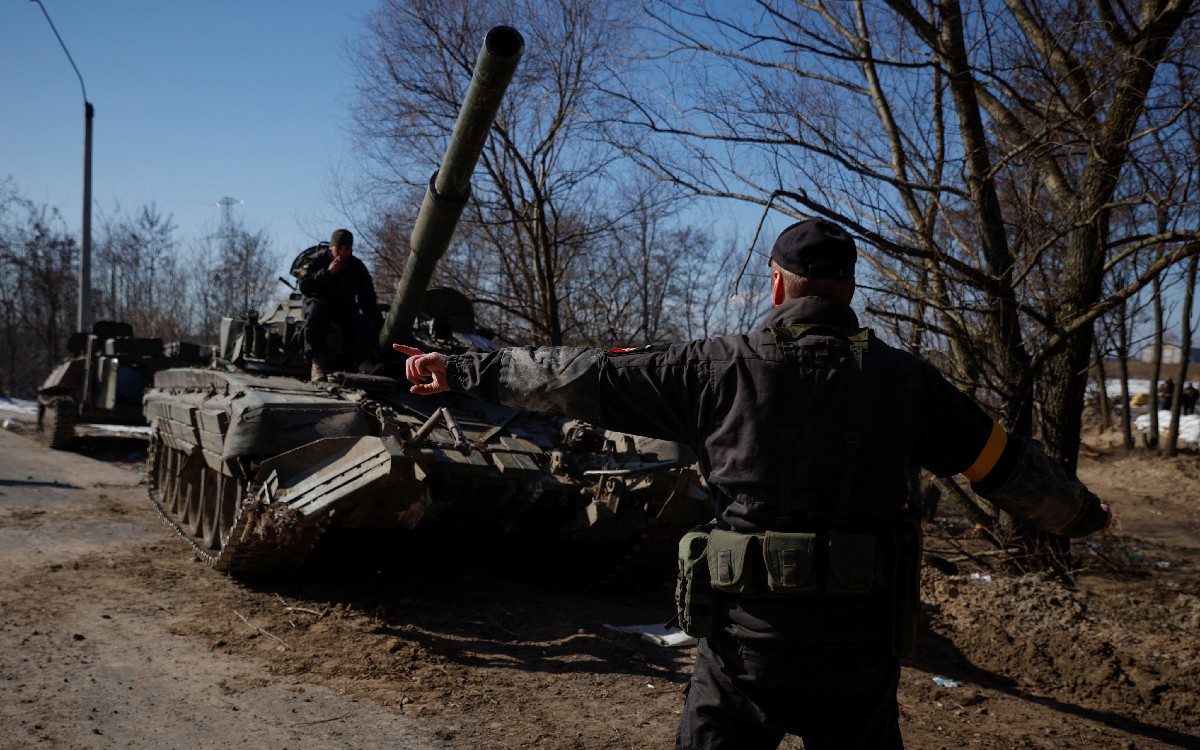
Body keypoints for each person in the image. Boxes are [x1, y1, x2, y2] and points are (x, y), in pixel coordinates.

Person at [394, 218, 1111, 749]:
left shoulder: (711, 367)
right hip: (859, 650)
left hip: (745, 648)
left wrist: (460, 369)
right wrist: (1082, 516)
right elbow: (1007, 469)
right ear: (851, 289)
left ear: (775, 284)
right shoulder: (911, 383)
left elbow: (578, 376)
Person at [297, 228, 383, 380]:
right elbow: (305, 286)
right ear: (331, 247)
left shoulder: (357, 267)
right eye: (339, 248)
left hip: (344, 309)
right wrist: (328, 272)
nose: (342, 253)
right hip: (319, 307)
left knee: (363, 323)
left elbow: (367, 298)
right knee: (316, 311)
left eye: (347, 249)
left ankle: (363, 363)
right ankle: (317, 362)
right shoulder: (316, 261)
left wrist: (379, 323)